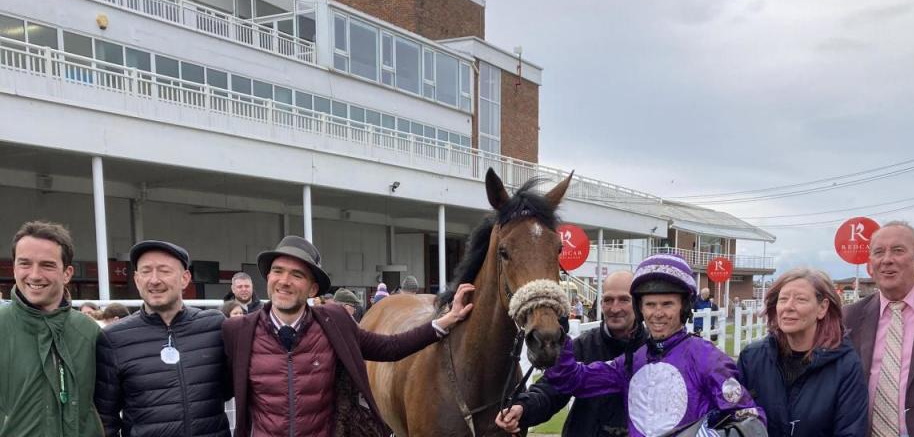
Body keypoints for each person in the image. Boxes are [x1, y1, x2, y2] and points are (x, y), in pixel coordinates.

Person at [222, 235, 475, 436]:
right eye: (278, 271)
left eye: (297, 274)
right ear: (268, 277)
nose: (284, 281)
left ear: (313, 288)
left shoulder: (335, 323)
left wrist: (445, 321)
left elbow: (390, 348)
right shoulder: (237, 331)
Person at [536, 254, 765, 437]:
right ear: (640, 309)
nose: (658, 313)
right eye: (650, 304)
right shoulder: (632, 361)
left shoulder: (707, 358)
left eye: (667, 304)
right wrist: (557, 334)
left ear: (683, 307)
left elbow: (749, 419)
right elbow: (572, 379)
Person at [95, 240, 231, 437]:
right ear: (136, 279)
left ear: (185, 278)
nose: (154, 280)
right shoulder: (113, 338)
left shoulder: (214, 326)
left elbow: (231, 389)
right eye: (146, 271)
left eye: (164, 271)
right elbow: (105, 418)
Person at [497, 270, 647, 436]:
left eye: (624, 300)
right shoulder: (584, 345)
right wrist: (523, 408)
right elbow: (551, 389)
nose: (615, 308)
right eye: (608, 300)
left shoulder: (654, 351)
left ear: (637, 303)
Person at [844, 221, 914, 436]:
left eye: (898, 250)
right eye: (879, 252)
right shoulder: (851, 317)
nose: (887, 259)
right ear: (870, 263)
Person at [0, 221, 102, 436]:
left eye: (47, 265)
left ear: (67, 273)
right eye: (25, 263)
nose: (35, 275)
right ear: (14, 267)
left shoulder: (89, 332)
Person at [737, 268, 867, 436]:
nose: (788, 307)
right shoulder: (752, 359)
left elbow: (851, 431)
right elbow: (735, 421)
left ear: (822, 308)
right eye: (783, 299)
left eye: (800, 299)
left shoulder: (845, 366)